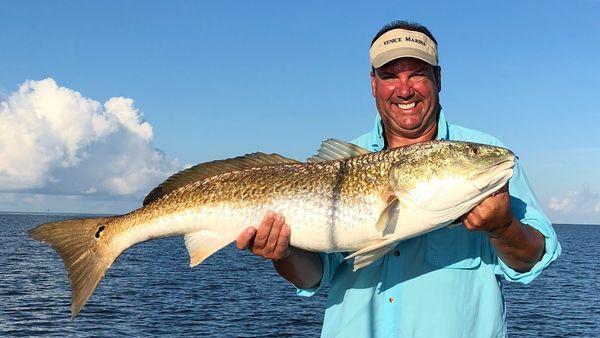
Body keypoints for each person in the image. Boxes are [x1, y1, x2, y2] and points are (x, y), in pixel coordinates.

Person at [236, 21, 561, 337]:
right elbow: (312, 277)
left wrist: (503, 227)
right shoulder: (347, 162)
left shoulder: (489, 162)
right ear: (373, 84)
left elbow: (531, 259)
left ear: (438, 78)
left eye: (417, 74)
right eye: (390, 76)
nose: (404, 89)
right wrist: (284, 254)